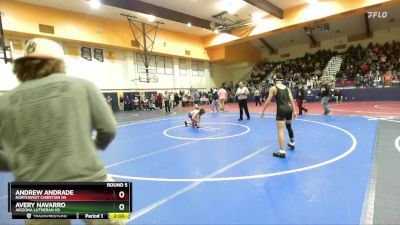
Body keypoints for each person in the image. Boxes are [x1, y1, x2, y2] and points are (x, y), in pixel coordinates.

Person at [0, 38, 122, 225]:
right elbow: (109, 129)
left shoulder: (5, 102)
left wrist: (19, 162)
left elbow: (4, 157)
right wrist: (94, 145)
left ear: (22, 66)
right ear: (58, 63)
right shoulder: (82, 86)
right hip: (88, 179)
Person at [261, 74, 297, 158]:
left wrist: (263, 111)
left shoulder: (273, 88)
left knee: (280, 130)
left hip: (281, 110)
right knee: (288, 125)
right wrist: (294, 111)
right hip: (289, 109)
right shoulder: (287, 88)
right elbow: (291, 100)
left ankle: (282, 151)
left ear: (275, 80)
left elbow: (268, 100)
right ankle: (292, 143)